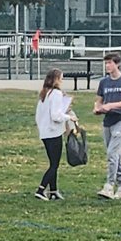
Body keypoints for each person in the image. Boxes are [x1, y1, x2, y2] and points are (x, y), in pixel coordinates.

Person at [93, 53, 121, 199]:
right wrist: (98, 108)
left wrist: (111, 105)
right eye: (106, 63)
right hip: (108, 121)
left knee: (112, 154)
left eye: (110, 63)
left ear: (117, 64)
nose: (107, 66)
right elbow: (99, 100)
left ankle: (109, 186)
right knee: (116, 154)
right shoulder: (104, 82)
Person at [34, 69, 78, 201]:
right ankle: (41, 189)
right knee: (54, 165)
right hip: (53, 132)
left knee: (52, 162)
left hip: (45, 132)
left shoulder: (45, 93)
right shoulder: (56, 94)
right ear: (56, 80)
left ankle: (53, 190)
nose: (62, 81)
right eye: (61, 79)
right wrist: (69, 117)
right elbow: (56, 116)